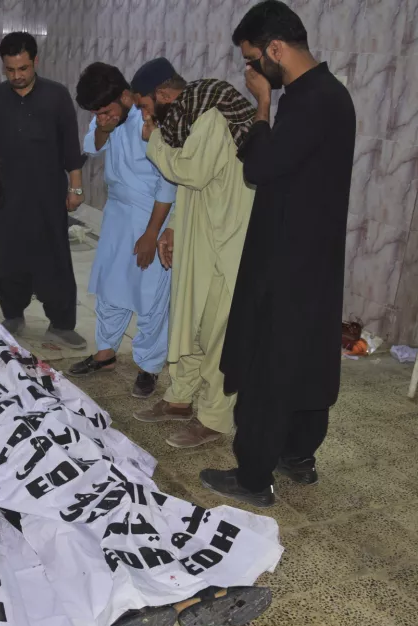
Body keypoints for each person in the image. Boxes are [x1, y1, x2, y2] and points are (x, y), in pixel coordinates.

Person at [201, 1, 356, 507]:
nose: (251, 71)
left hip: (285, 258)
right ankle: (298, 456)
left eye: (253, 60)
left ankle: (252, 477)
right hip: (314, 255)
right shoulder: (333, 96)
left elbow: (260, 167)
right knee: (305, 356)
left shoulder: (308, 102)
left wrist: (262, 104)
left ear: (275, 49)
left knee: (270, 363)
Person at [131, 58, 257, 449]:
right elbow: (196, 187)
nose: (146, 117)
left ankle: (215, 419)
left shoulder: (213, 119)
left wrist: (152, 140)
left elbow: (191, 172)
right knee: (187, 319)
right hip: (200, 236)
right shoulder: (192, 117)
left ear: (164, 95)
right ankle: (180, 398)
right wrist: (173, 229)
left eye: (146, 107)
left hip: (228, 243)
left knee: (218, 329)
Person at [0, 31, 88, 349]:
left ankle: (61, 323)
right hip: (3, 197)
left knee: (54, 259)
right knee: (4, 257)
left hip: (47, 196)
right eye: (10, 70)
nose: (17, 76)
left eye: (23, 68)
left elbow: (71, 149)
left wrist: (76, 188)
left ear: (35, 61)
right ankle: (14, 314)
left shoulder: (57, 96)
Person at [68, 62, 175, 399]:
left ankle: (149, 365)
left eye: (106, 109)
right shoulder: (108, 116)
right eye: (97, 112)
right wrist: (104, 127)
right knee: (111, 285)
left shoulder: (153, 118)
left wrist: (151, 234)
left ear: (126, 95)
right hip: (117, 212)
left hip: (152, 215)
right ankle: (106, 353)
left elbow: (168, 182)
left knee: (150, 292)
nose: (102, 114)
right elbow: (91, 146)